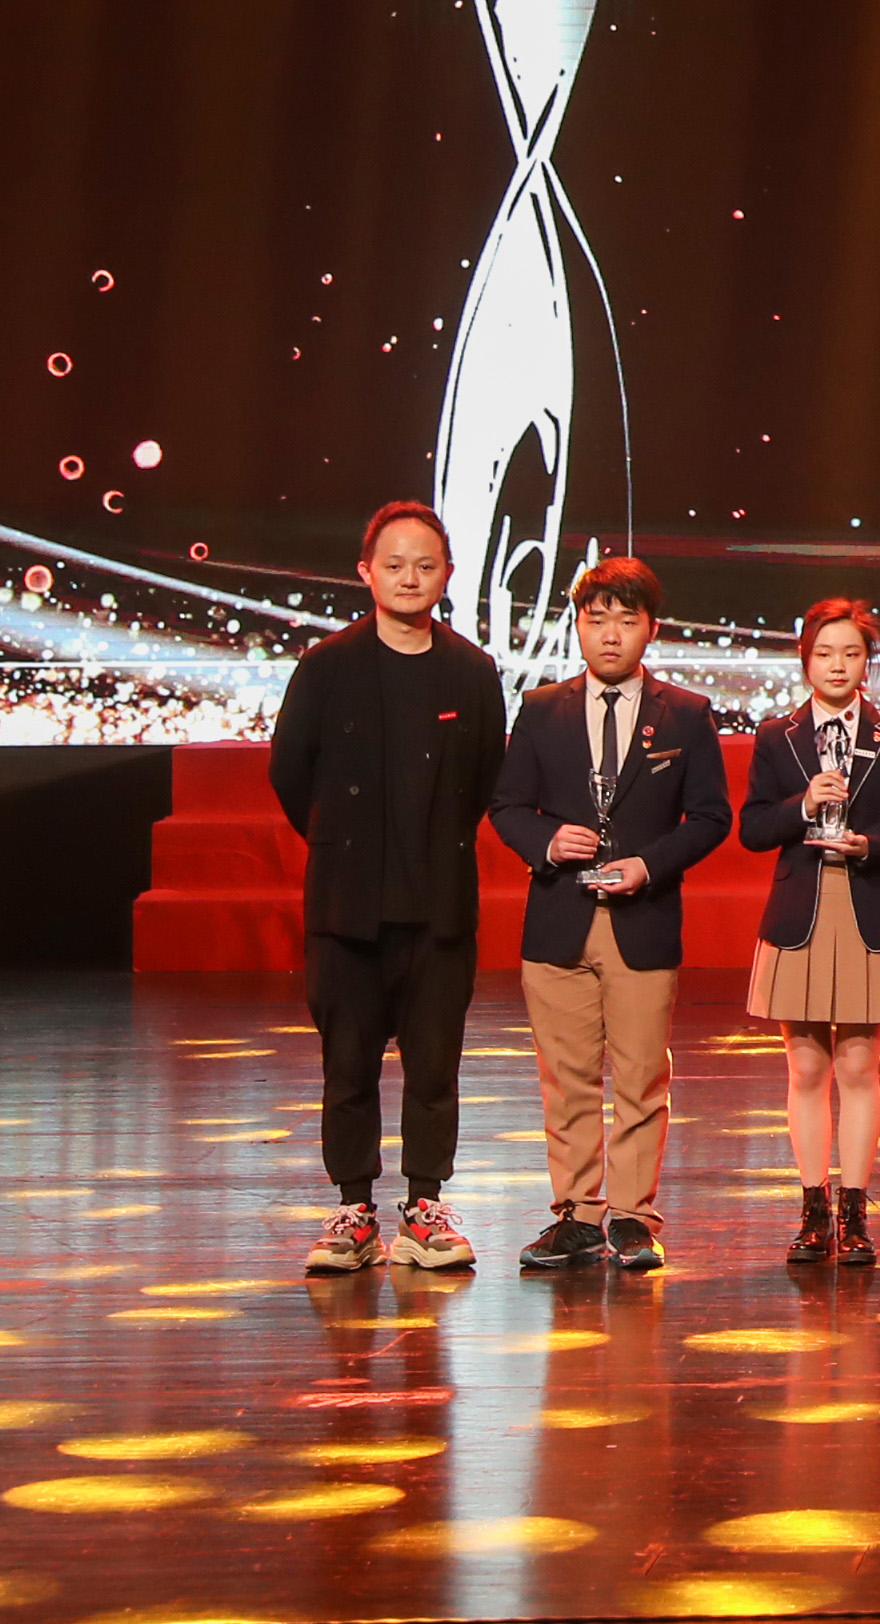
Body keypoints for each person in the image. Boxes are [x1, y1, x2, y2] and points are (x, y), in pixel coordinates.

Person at [269, 500, 507, 1276]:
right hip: (346, 906)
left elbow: (485, 779)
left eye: (425, 565)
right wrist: (341, 842)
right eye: (395, 564)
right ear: (365, 572)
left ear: (447, 575)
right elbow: (290, 771)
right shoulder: (326, 666)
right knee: (348, 1065)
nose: (409, 578)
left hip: (438, 904)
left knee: (434, 1067)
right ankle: (353, 1210)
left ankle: (425, 1207)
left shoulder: (472, 671)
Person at [488, 554, 733, 1273]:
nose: (611, 635)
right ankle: (576, 1213)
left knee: (640, 1076)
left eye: (627, 620)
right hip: (558, 917)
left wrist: (648, 865)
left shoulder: (685, 713)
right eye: (597, 620)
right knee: (565, 1078)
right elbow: (507, 806)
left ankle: (631, 1215)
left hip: (642, 918)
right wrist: (546, 841)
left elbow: (711, 816)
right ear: (578, 626)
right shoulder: (543, 709)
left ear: (651, 628)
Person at [744, 596, 880, 1269]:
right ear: (805, 659)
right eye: (825, 653)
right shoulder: (777, 736)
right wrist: (802, 805)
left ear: (867, 662)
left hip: (867, 906)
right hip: (800, 909)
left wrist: (870, 844)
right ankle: (812, 1210)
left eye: (851, 653)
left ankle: (855, 1212)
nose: (837, 665)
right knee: (805, 1068)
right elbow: (752, 828)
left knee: (857, 1066)